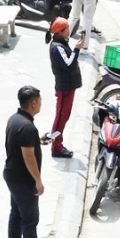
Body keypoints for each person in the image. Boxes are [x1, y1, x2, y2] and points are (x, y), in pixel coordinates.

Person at [6, 87, 59, 238]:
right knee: (30, 221)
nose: (41, 103)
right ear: (34, 103)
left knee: (17, 214)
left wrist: (38, 140)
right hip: (23, 180)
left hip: (12, 176)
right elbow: (28, 157)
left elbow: (24, 143)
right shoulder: (27, 127)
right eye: (40, 100)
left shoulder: (15, 119)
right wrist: (38, 181)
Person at [48, 20, 82, 159]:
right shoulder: (57, 47)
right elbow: (68, 64)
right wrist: (77, 49)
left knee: (64, 117)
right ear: (60, 32)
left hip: (68, 87)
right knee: (60, 119)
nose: (69, 31)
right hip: (64, 88)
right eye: (67, 29)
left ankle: (58, 144)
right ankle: (56, 147)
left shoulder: (61, 43)